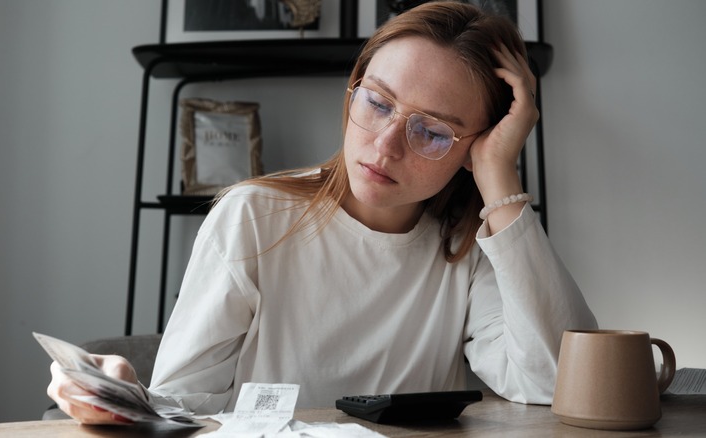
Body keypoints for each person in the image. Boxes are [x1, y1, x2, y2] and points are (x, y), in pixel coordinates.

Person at [48, 1, 597, 425]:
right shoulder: (253, 217)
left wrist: (500, 176)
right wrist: (123, 398)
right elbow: (184, 406)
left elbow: (556, 383)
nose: (384, 147)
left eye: (431, 131)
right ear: (352, 90)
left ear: (475, 146)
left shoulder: (470, 248)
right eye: (377, 102)